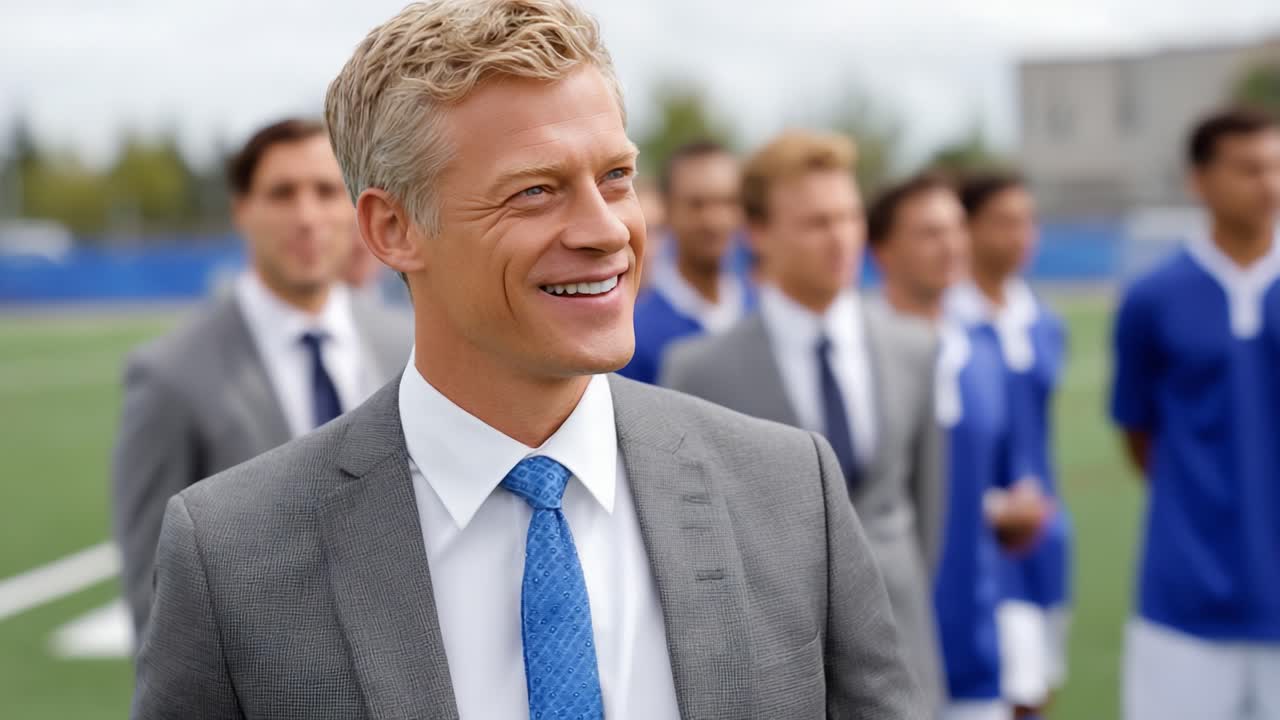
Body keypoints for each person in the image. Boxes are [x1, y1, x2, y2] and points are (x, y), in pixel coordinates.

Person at [130, 2, 925, 718]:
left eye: (616, 177)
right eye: (536, 192)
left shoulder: (790, 495)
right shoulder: (233, 557)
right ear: (394, 230)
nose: (607, 230)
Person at [661, 129, 945, 714]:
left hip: (904, 661)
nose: (840, 238)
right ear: (760, 233)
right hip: (770, 673)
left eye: (848, 217)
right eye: (816, 222)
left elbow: (926, 510)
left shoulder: (914, 348)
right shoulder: (699, 371)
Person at [111, 118, 410, 640]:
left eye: (325, 191)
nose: (307, 216)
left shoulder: (410, 344)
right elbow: (154, 593)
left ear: (355, 208)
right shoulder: (170, 375)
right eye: (281, 193)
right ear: (242, 211)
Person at [1111, 107, 1280, 720]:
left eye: (1277, 167)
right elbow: (1138, 433)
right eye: (1249, 169)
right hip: (1182, 607)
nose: (1270, 184)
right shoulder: (1152, 298)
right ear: (1199, 180)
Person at [869, 173, 1050, 720]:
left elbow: (1010, 481)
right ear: (882, 249)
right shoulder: (855, 359)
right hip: (881, 648)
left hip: (975, 641)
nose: (950, 245)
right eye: (928, 232)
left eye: (954, 230)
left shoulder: (984, 354)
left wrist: (1014, 508)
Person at [948, 171, 1071, 719]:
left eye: (1027, 222)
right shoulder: (944, 322)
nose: (1019, 235)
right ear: (967, 229)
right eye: (1003, 222)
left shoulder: (1045, 321)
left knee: (1037, 691)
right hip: (974, 545)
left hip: (1042, 540)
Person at [618, 139, 749, 383]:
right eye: (697, 205)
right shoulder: (635, 335)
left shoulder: (763, 310)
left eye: (727, 202)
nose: (715, 219)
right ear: (667, 209)